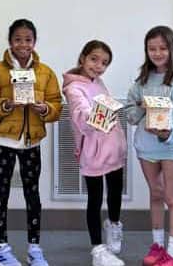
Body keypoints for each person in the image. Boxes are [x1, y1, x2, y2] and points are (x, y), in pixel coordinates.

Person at [0, 19, 62, 266]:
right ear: (10, 42)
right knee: (1, 192)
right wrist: (6, 104)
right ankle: (1, 247)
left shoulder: (45, 72)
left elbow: (57, 105)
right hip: (5, 140)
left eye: (27, 39)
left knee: (32, 194)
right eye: (17, 39)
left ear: (34, 42)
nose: (23, 44)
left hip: (32, 142)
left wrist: (44, 108)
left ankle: (34, 247)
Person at [127, 26, 173, 266]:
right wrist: (139, 107)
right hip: (146, 147)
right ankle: (157, 246)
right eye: (152, 48)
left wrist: (167, 132)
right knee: (155, 194)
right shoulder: (142, 80)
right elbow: (132, 116)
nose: (157, 53)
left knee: (171, 197)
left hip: (172, 146)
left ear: (172, 49)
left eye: (162, 48)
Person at [61, 40, 127, 266]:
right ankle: (98, 250)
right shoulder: (73, 88)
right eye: (94, 59)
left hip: (113, 150)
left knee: (116, 191)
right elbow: (83, 119)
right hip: (93, 153)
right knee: (95, 199)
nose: (99, 66)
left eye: (105, 63)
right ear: (82, 57)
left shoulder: (98, 82)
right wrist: (101, 115)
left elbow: (106, 111)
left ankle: (114, 225)